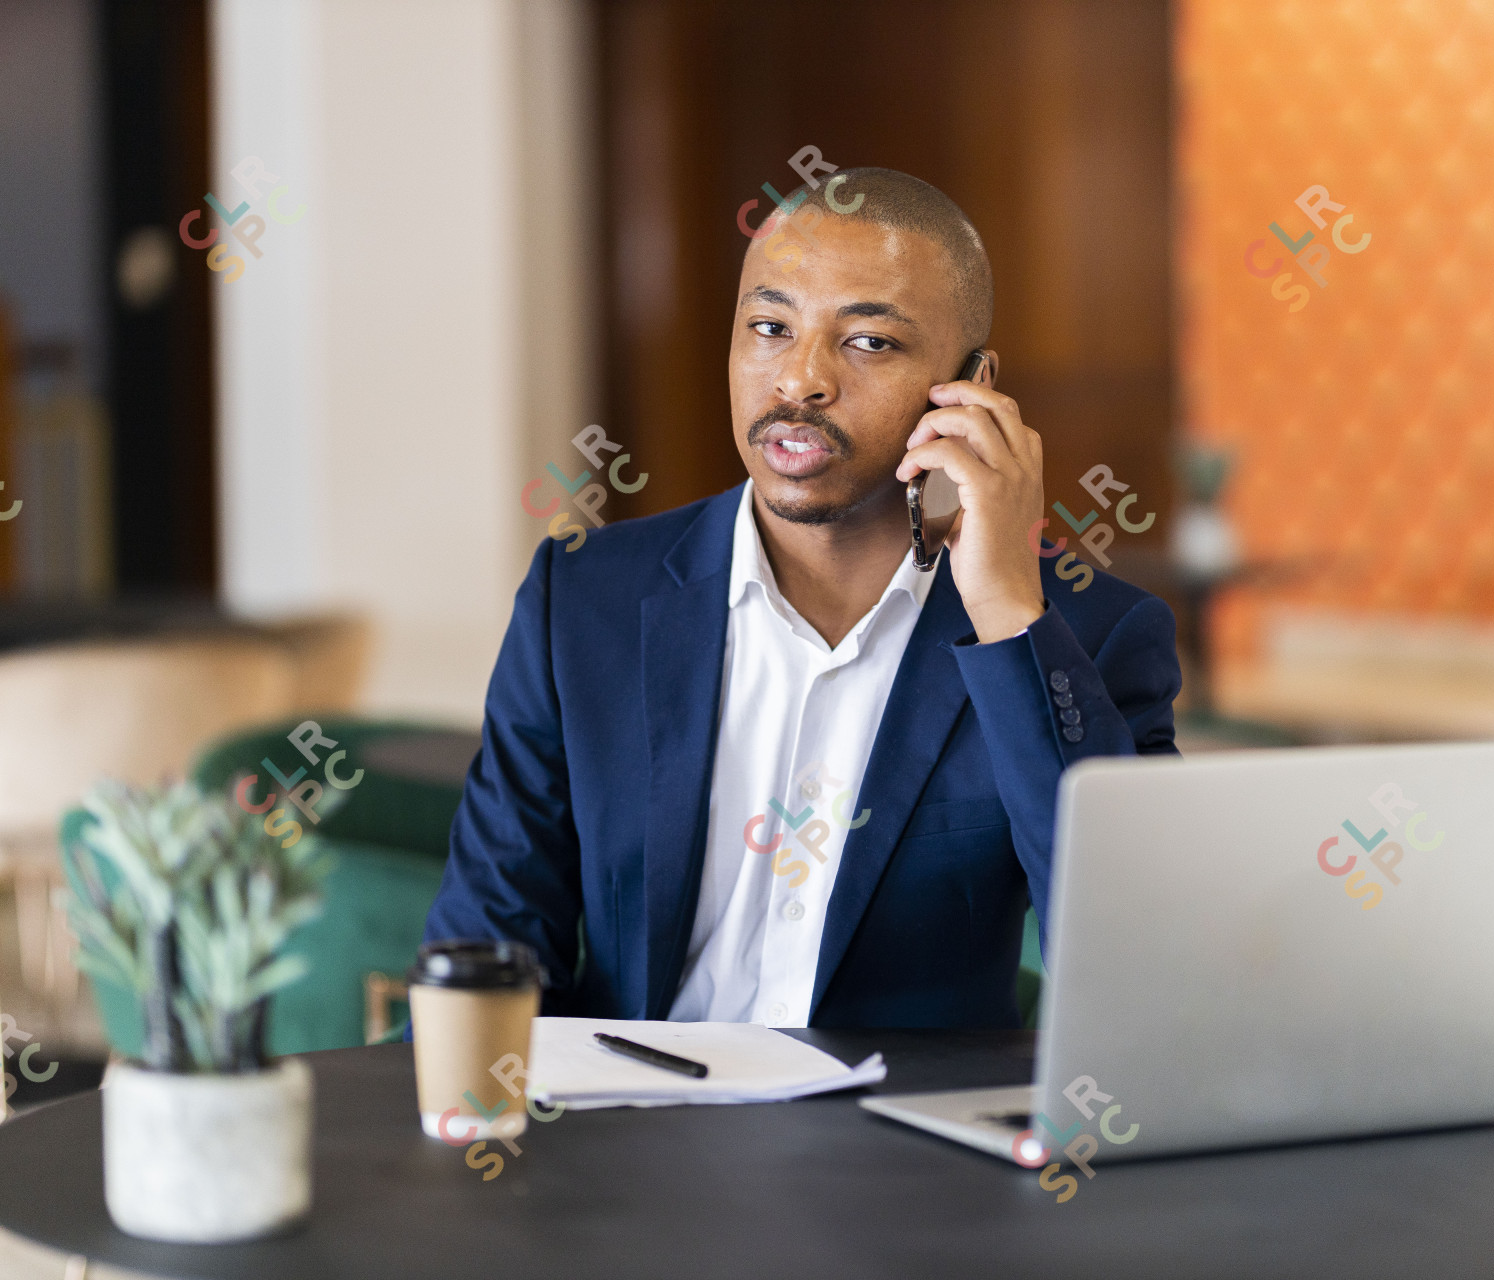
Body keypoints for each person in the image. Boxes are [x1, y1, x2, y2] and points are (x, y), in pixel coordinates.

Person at [423, 168, 1180, 1028]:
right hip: (629, 1136)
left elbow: (1139, 962)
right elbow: (491, 939)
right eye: (770, 328)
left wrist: (1007, 611)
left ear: (972, 385)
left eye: (869, 343)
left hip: (897, 1152)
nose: (801, 379)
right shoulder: (585, 601)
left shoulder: (1084, 635)